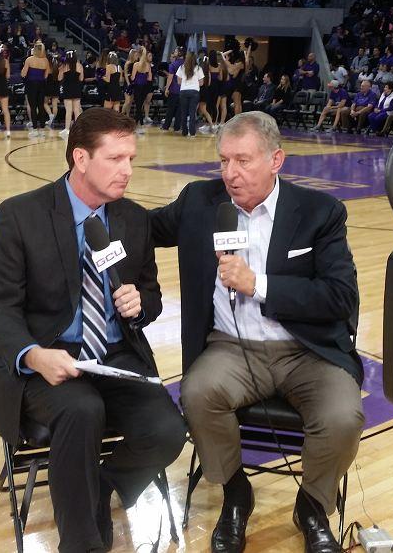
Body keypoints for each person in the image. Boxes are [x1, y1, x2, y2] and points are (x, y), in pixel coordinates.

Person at [148, 111, 364, 553]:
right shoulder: (199, 201)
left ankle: (312, 504)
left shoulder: (320, 212)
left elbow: (340, 297)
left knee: (343, 418)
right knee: (198, 394)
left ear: (276, 160)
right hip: (230, 347)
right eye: (224, 161)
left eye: (243, 161)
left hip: (306, 351)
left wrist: (258, 285)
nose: (230, 173)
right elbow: (140, 226)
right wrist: (50, 211)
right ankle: (234, 493)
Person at [0, 107, 186, 553]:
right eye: (115, 159)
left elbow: (150, 297)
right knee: (81, 410)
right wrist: (34, 354)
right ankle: (80, 543)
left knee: (169, 430)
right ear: (80, 158)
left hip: (114, 356)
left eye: (131, 158)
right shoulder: (22, 216)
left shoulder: (133, 219)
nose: (127, 170)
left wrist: (140, 304)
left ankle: (100, 486)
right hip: (46, 357)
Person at [21, 41, 51, 136]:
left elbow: (23, 74)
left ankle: (34, 129)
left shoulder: (29, 59)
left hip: (31, 85)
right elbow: (46, 75)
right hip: (42, 85)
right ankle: (42, 129)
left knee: (33, 107)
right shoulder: (45, 60)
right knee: (41, 106)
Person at [176, 51, 204, 138]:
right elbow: (201, 83)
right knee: (192, 113)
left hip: (183, 91)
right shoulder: (199, 68)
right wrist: (194, 83)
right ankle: (192, 133)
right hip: (194, 92)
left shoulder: (181, 68)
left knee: (184, 112)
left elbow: (179, 81)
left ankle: (184, 132)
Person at [58, 49, 83, 138]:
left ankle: (67, 129)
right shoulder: (79, 65)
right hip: (76, 89)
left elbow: (59, 78)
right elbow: (81, 78)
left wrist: (60, 70)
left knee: (68, 110)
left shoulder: (64, 66)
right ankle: (79, 129)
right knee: (77, 110)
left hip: (67, 89)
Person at [159, 47, 184, 132]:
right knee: (179, 110)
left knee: (170, 109)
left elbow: (170, 77)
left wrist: (167, 88)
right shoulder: (187, 64)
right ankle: (177, 127)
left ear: (180, 53)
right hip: (184, 90)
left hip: (174, 89)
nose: (174, 52)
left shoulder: (173, 64)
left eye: (176, 51)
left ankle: (166, 126)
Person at [129, 46, 153, 134]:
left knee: (138, 105)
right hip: (145, 87)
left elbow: (132, 77)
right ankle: (139, 123)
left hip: (137, 87)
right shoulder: (148, 65)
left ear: (139, 54)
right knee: (140, 105)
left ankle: (139, 124)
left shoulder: (136, 65)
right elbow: (150, 78)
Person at [44, 55, 60, 130]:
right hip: (56, 87)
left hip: (48, 87)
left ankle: (50, 115)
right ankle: (52, 120)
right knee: (55, 105)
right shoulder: (57, 68)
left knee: (44, 103)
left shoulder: (47, 68)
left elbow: (45, 77)